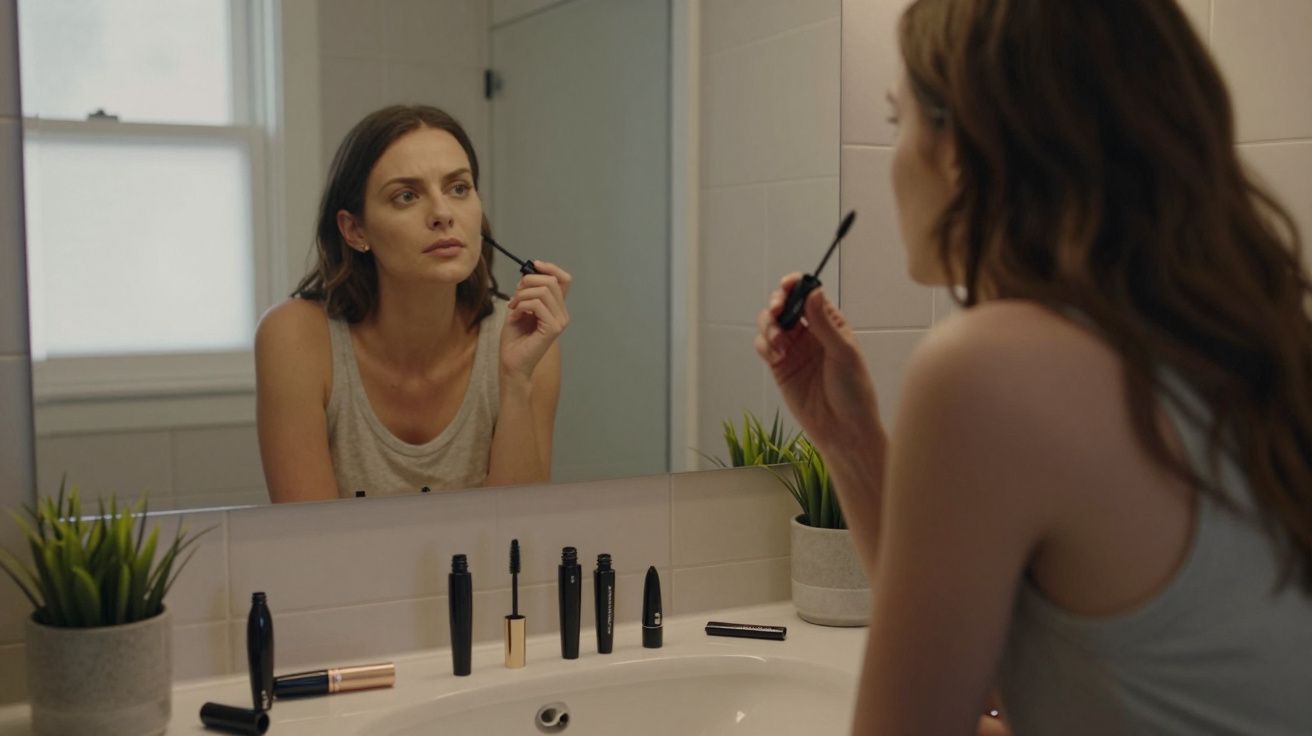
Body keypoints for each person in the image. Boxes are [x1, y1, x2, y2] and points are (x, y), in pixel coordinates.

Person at [756, 1, 1312, 734]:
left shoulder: (987, 370)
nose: (894, 158)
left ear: (959, 147)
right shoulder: (1254, 343)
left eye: (899, 122)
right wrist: (851, 443)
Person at [257, 105, 571, 502]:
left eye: (459, 188)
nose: (443, 214)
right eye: (406, 196)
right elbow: (309, 543)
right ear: (354, 230)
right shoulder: (294, 339)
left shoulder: (527, 341)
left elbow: (519, 530)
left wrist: (516, 380)